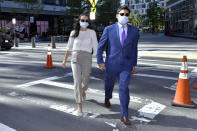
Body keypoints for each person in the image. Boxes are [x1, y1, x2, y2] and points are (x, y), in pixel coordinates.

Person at [97, 6, 138, 125]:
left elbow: (134, 48)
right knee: (109, 83)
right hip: (111, 63)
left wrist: (134, 64)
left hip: (126, 65)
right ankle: (107, 96)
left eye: (126, 14)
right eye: (122, 14)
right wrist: (100, 61)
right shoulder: (108, 29)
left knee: (124, 88)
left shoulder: (134, 30)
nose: (124, 16)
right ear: (117, 15)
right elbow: (100, 46)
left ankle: (124, 115)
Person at [62, 14, 98, 117]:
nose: (85, 22)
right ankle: (79, 106)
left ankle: (83, 89)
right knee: (77, 81)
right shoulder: (73, 33)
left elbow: (95, 47)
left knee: (86, 79)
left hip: (87, 57)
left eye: (87, 20)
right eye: (83, 20)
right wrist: (64, 60)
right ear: (79, 21)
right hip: (75, 57)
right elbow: (69, 48)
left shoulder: (92, 32)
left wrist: (98, 59)